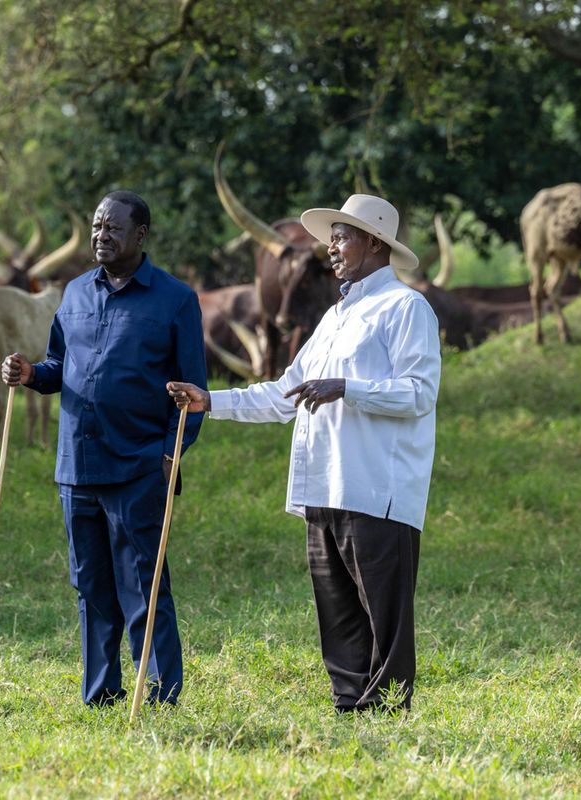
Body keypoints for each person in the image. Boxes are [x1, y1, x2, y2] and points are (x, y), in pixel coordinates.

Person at [167, 194, 441, 714]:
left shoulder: (407, 308)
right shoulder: (336, 315)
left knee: (384, 617)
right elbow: (284, 394)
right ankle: (348, 709)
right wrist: (211, 402)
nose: (331, 247)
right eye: (332, 237)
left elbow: (419, 393)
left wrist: (349, 388)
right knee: (337, 614)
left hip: (377, 491)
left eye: (343, 236)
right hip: (323, 487)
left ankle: (387, 716)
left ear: (376, 244)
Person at [2, 190, 207, 707]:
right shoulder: (73, 293)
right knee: (89, 585)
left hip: (140, 463)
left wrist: (170, 453)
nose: (101, 236)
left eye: (113, 228)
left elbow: (191, 394)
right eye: (96, 227)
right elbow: (57, 365)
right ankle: (101, 692)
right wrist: (30, 374)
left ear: (140, 235)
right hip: (77, 463)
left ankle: (159, 694)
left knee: (144, 583)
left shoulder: (175, 299)